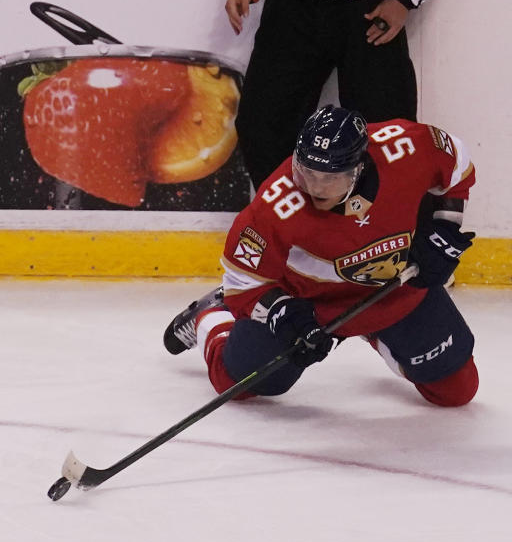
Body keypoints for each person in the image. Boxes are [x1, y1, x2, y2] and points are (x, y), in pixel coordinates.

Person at [163, 105, 479, 406]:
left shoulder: (406, 146)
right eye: (306, 173)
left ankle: (374, 330)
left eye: (329, 178)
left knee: (456, 390)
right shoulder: (274, 207)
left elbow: (457, 164)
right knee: (241, 384)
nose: (314, 188)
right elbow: (242, 282)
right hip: (308, 305)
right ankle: (212, 317)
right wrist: (283, 315)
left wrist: (444, 229)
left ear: (359, 168)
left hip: (394, 290)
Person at [225, 0, 458, 189]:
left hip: (370, 12)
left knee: (388, 132)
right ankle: (291, 219)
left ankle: (378, 224)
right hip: (294, 9)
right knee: (263, 122)